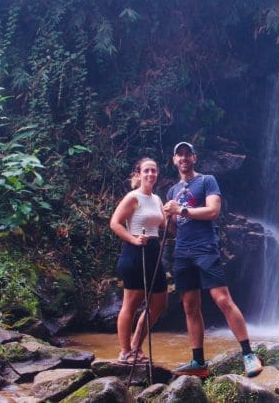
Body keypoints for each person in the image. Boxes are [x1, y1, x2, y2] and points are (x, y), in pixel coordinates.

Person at [163, 141, 263, 378]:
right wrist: (168, 218)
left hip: (205, 247)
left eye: (188, 154)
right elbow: (176, 227)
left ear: (194, 158)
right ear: (174, 160)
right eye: (179, 155)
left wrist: (181, 211)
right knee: (189, 306)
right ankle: (198, 362)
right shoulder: (172, 191)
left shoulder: (207, 180)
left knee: (222, 299)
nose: (184, 158)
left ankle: (249, 354)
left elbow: (213, 211)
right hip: (182, 251)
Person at [110, 157, 168, 364]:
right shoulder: (133, 197)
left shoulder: (157, 199)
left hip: (153, 252)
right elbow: (115, 223)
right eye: (146, 170)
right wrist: (133, 239)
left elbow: (165, 226)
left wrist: (174, 213)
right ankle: (125, 352)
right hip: (135, 252)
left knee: (159, 303)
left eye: (154, 170)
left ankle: (136, 345)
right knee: (131, 304)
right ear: (138, 174)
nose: (151, 174)